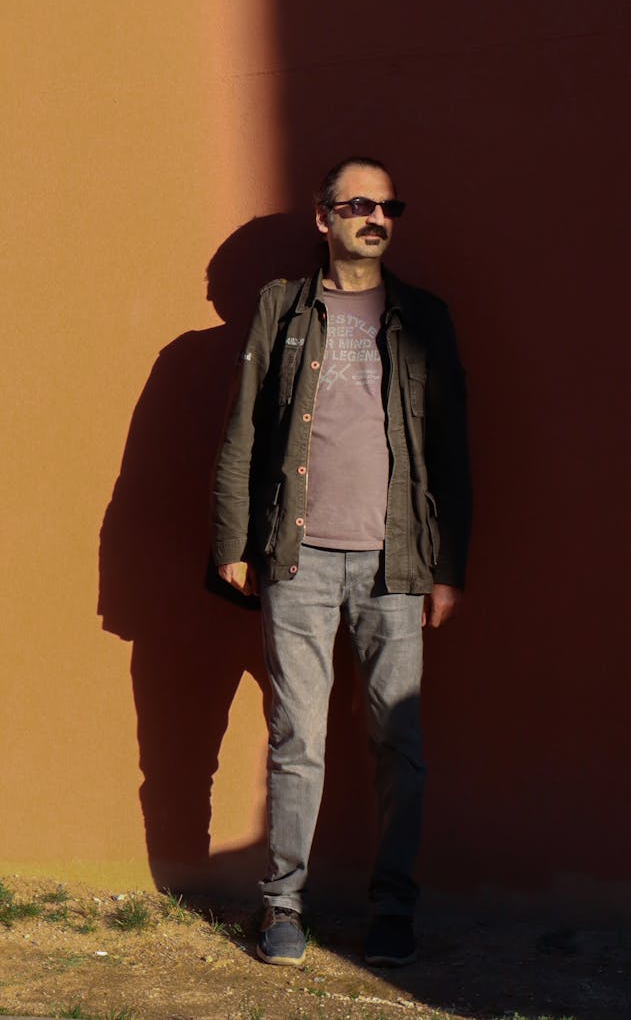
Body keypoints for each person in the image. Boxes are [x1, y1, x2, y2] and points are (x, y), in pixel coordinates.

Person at [211, 156, 471, 967]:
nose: (377, 217)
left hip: (397, 562)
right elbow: (243, 429)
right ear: (323, 217)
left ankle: (393, 908)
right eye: (359, 203)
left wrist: (447, 565)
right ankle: (283, 904)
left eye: (389, 204)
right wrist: (232, 542)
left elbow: (450, 450)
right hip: (298, 556)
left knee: (400, 743)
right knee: (299, 738)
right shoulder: (282, 308)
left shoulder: (425, 317)